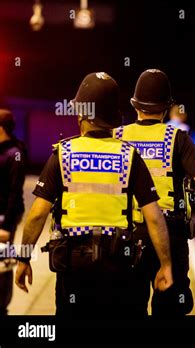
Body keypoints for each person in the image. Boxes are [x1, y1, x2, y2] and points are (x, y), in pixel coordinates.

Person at [14, 72, 173, 317]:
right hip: (120, 268)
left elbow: (37, 215)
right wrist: (166, 264)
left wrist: (24, 259)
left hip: (74, 269)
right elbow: (154, 217)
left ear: (82, 115)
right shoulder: (130, 157)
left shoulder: (63, 154)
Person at [114, 69, 195, 317]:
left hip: (127, 236)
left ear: (135, 106)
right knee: (170, 309)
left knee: (128, 306)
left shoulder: (118, 137)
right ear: (166, 108)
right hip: (170, 238)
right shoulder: (177, 139)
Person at [0, 109, 26, 315]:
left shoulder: (14, 153)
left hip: (4, 220)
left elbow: (14, 193)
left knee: (2, 266)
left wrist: (7, 227)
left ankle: (2, 306)